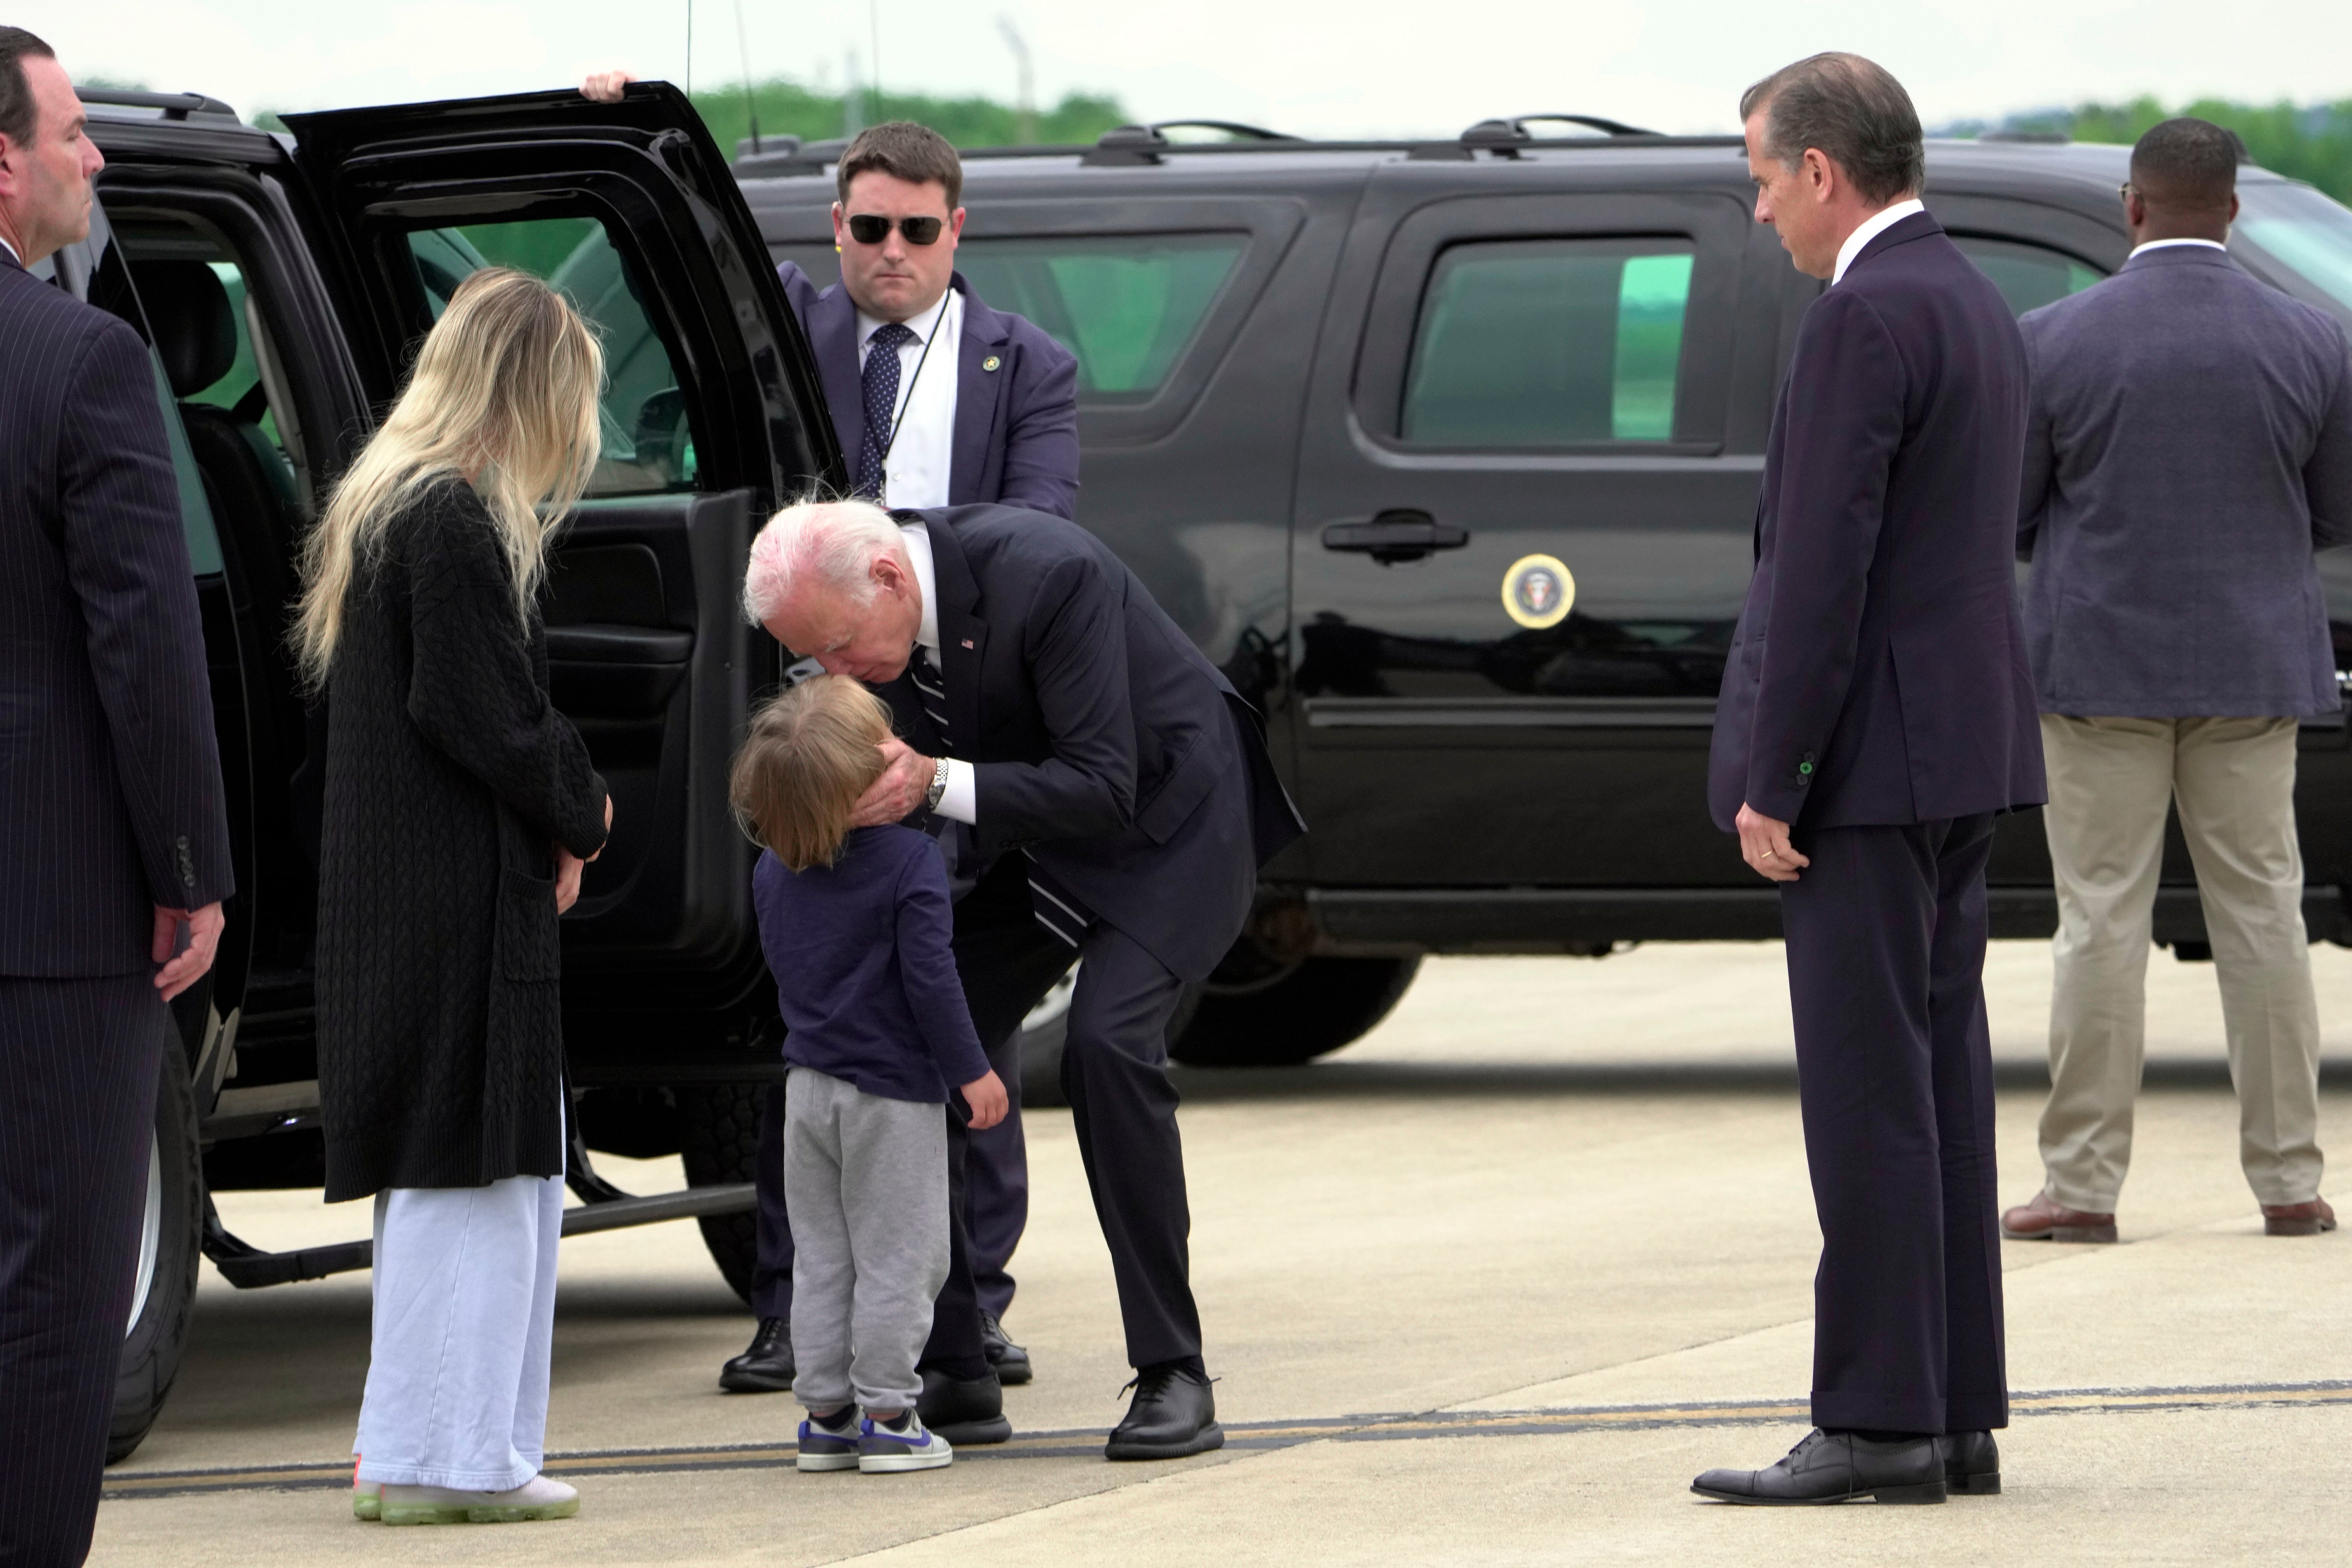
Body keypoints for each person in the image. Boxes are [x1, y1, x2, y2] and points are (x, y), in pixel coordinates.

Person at [581, 75, 1081, 1397]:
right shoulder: (792, 332)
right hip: (801, 722)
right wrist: (633, 115)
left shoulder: (1024, 365)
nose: (892, 256)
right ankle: (792, 1306)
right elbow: (657, 269)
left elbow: (1034, 536)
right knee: (797, 1012)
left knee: (956, 991)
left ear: (957, 231)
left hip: (946, 708)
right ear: (833, 226)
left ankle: (969, 1298)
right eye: (868, 230)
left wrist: (866, 577)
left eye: (918, 232)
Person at [744, 496, 1304, 1460]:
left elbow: (1101, 783)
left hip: (1170, 820)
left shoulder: (1049, 573)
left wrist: (929, 782)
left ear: (886, 580)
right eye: (813, 662)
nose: (835, 676)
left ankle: (1175, 1373)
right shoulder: (861, 627)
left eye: (838, 649)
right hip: (1035, 831)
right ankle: (954, 1361)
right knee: (911, 1036)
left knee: (1104, 1050)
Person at [1693, 54, 2044, 1506]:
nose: (1761, 206)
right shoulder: (1971, 298)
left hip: (1870, 767)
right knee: (1941, 1087)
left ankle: (1878, 1416)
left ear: (1823, 173)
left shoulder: (1861, 317)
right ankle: (1951, 1406)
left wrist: (1777, 772)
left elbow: (1822, 569)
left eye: (1763, 177)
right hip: (1961, 749)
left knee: (1864, 1096)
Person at [2001, 118, 2352, 1248]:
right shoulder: (2313, 341)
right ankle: (2289, 1180)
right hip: (2254, 673)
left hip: (2096, 670)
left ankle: (2083, 1187)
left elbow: (2008, 514)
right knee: (2264, 917)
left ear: (2131, 206)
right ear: (2234, 206)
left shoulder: (2049, 341)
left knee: (2096, 921)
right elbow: (2338, 515)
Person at [298, 269, 613, 1526]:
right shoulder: (455, 521)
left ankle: (406, 1452)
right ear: (532, 389)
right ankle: (462, 1462)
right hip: (460, 906)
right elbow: (480, 709)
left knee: (442, 1183)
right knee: (484, 1178)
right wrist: (582, 807)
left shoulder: (384, 509)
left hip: (401, 896)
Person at [0, 30, 232, 1564]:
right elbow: (144, 643)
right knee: (49, 1288)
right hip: (55, 904)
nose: (96, 158)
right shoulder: (83, 361)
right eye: (74, 133)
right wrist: (190, 863)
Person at [729, 675, 1009, 1475]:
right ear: (868, 773)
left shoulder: (773, 870)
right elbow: (931, 978)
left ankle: (825, 1414)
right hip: (891, 1094)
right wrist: (972, 1072)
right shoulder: (909, 861)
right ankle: (889, 1414)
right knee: (903, 1255)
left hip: (807, 1091)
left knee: (823, 1255)